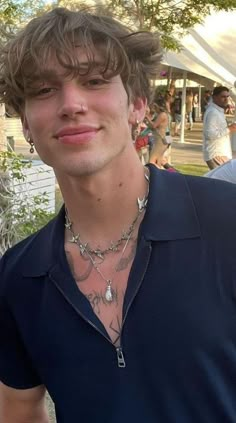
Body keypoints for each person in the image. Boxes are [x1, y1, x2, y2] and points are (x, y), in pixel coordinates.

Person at [1, 7, 236, 423]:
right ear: (26, 124)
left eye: (94, 81)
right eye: (42, 90)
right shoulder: (19, 276)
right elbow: (18, 409)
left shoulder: (226, 222)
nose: (71, 103)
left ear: (138, 105)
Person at [202, 85, 236, 169]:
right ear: (215, 97)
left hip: (221, 153)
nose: (226, 99)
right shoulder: (213, 112)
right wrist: (229, 129)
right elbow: (209, 134)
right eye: (223, 97)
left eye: (227, 96)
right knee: (223, 181)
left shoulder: (218, 111)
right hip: (217, 154)